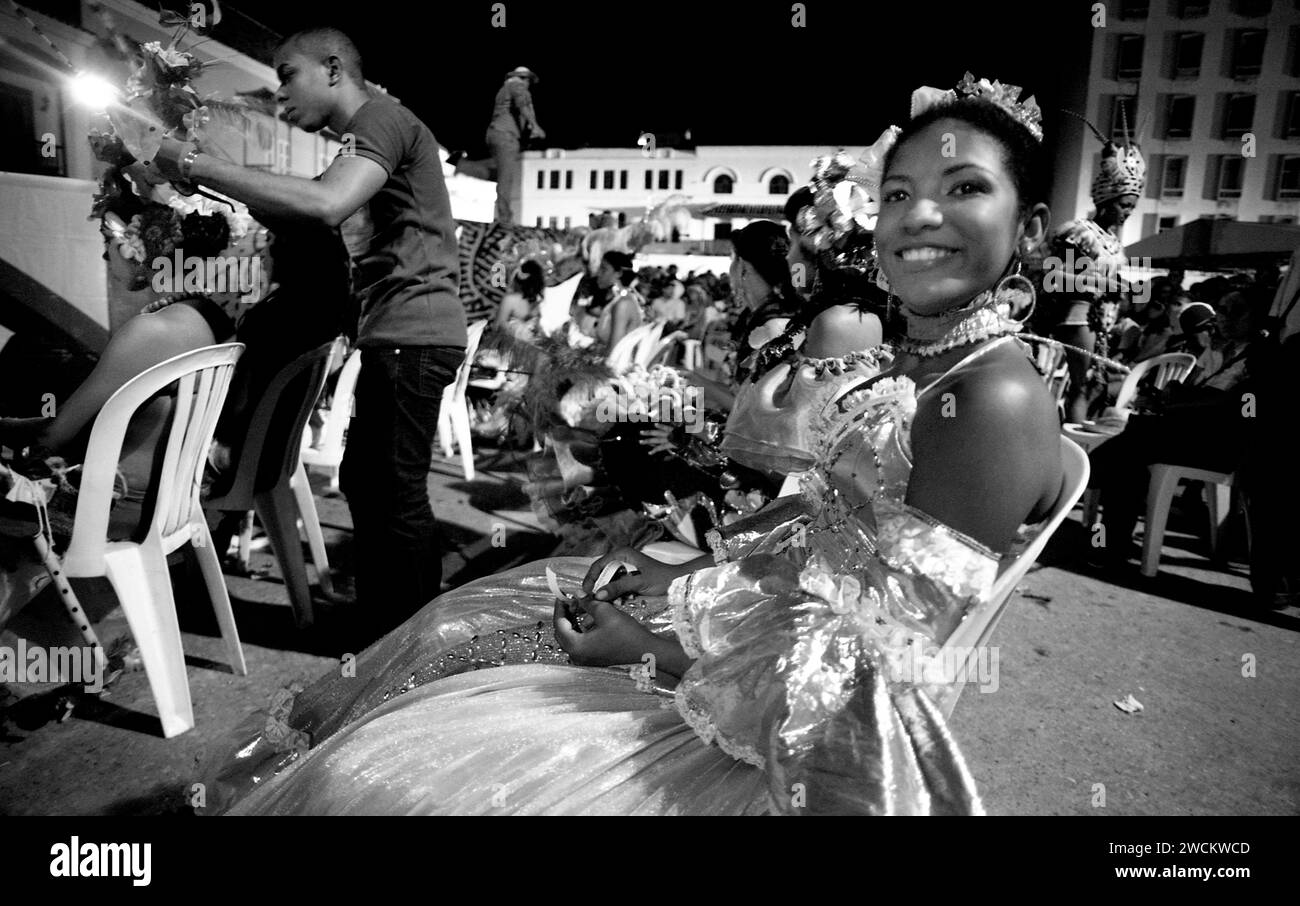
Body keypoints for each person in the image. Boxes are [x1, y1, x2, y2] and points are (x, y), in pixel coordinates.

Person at [206, 74, 1062, 816]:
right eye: (902, 193)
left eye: (964, 188)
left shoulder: (993, 395)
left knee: (384, 771)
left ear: (1029, 226)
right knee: (453, 630)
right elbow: (817, 531)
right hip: (761, 633)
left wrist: (649, 649)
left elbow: (877, 662)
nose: (922, 217)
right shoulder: (921, 352)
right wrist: (682, 576)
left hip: (791, 735)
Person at [152, 26, 466, 636]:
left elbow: (325, 205)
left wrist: (196, 161)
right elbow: (309, 207)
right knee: (371, 487)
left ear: (331, 68)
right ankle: (388, 632)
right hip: (403, 334)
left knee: (393, 496)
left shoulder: (381, 118)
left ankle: (402, 646)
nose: (280, 94)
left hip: (415, 332)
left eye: (287, 73)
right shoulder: (371, 129)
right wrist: (214, 179)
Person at [1035, 118, 1145, 423]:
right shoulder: (1079, 232)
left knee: (1094, 386)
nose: (1127, 213)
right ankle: (1073, 442)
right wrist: (1101, 284)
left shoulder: (1114, 243)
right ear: (1107, 201)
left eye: (1132, 208)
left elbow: (1118, 283)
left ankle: (1077, 441)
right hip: (1076, 317)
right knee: (1081, 386)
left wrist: (1122, 287)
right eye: (1124, 205)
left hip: (1103, 322)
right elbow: (1053, 276)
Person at [592, 251, 644, 350]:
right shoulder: (619, 299)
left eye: (603, 269)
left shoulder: (623, 304)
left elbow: (614, 351)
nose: (598, 273)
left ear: (619, 273)